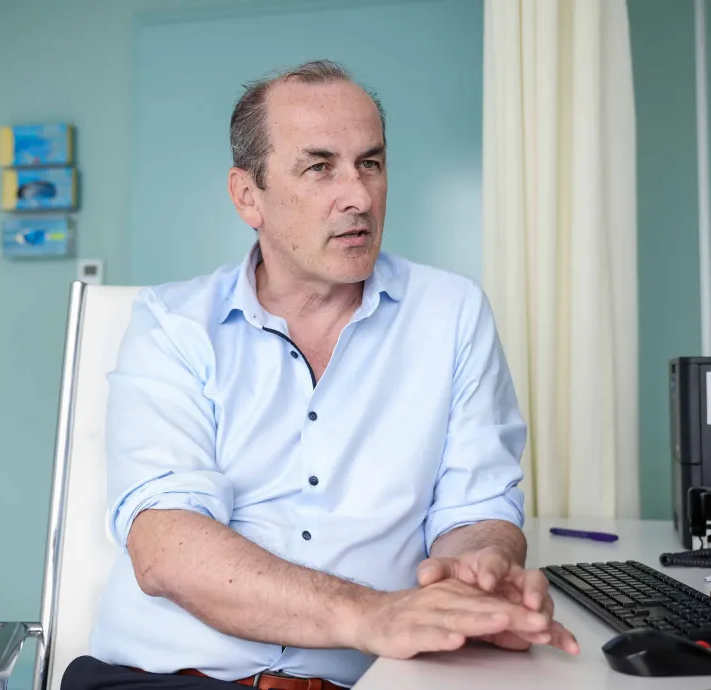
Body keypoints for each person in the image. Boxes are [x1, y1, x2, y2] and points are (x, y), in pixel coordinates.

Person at [63, 60, 578, 690]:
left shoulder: (452, 313)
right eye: (319, 167)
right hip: (167, 675)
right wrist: (371, 615)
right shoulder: (172, 324)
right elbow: (166, 547)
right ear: (247, 195)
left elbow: (474, 510)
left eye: (371, 163)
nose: (359, 196)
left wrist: (477, 574)